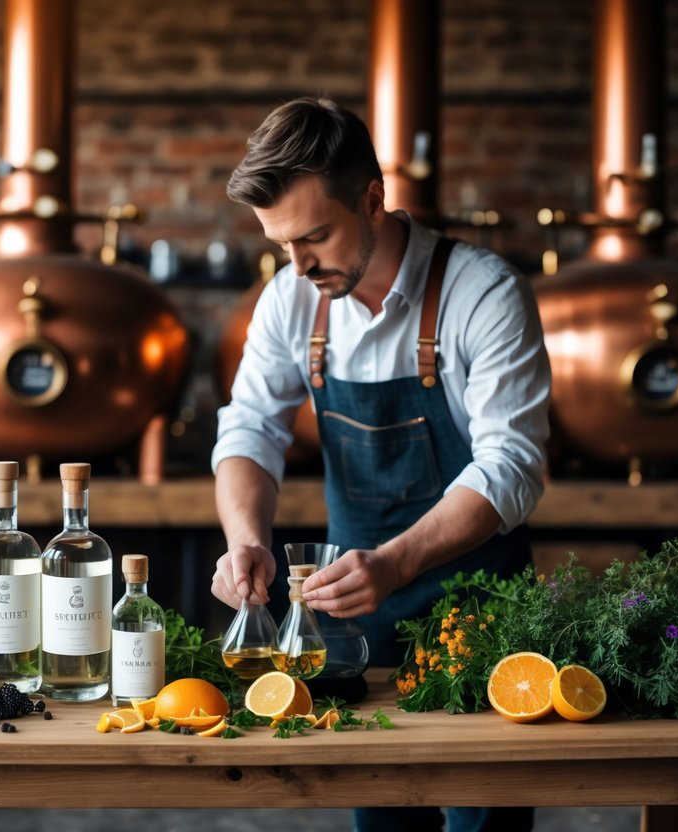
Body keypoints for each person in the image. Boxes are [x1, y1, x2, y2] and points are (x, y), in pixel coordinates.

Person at [209, 97, 551, 832]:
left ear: (372, 199)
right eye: (279, 246)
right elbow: (248, 432)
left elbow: (512, 464)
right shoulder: (290, 301)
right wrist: (244, 537)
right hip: (352, 632)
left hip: (481, 622)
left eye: (314, 238)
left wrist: (395, 563)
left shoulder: (482, 294)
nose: (298, 266)